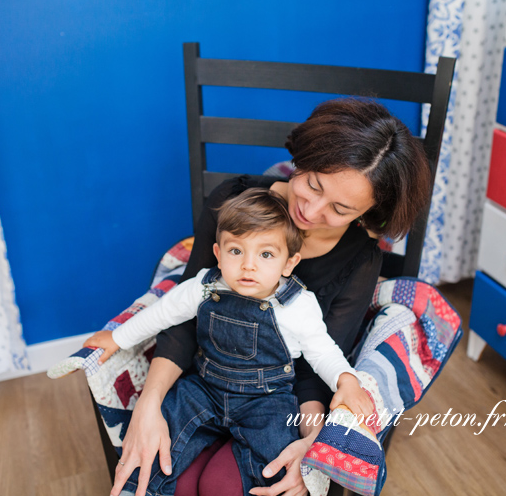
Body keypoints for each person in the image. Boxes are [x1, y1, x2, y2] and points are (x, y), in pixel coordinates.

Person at [112, 98, 432, 496]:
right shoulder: (234, 203)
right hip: (205, 382)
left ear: (368, 213)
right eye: (313, 184)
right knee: (167, 477)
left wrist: (308, 438)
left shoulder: (359, 260)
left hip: (277, 402)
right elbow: (183, 313)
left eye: (340, 208)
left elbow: (318, 361)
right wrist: (149, 403)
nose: (311, 211)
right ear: (302, 158)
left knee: (223, 486)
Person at [85, 188, 372, 495]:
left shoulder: (298, 305)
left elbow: (324, 351)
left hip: (266, 399)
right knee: (162, 433)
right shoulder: (205, 287)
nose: (249, 265)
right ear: (219, 255)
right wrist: (117, 338)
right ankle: (138, 486)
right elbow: (161, 314)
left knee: (273, 458)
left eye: (265, 254)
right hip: (205, 387)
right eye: (236, 251)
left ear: (289, 263)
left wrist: (347, 381)